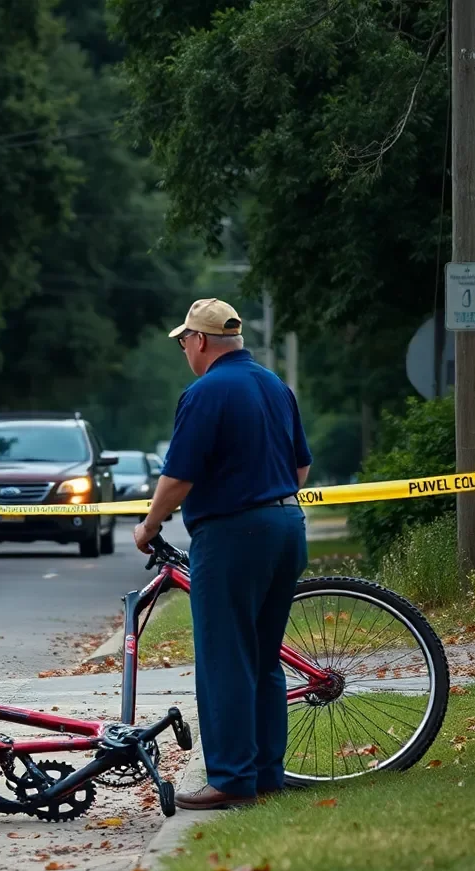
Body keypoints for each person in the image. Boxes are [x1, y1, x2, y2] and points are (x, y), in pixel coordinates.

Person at [133, 298, 311, 810]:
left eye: (184, 340)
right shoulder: (276, 386)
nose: (184, 348)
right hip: (286, 526)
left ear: (202, 341)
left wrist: (150, 525)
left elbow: (179, 475)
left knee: (224, 658)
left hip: (234, 535)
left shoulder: (205, 392)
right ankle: (266, 773)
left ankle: (232, 778)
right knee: (263, 657)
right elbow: (300, 468)